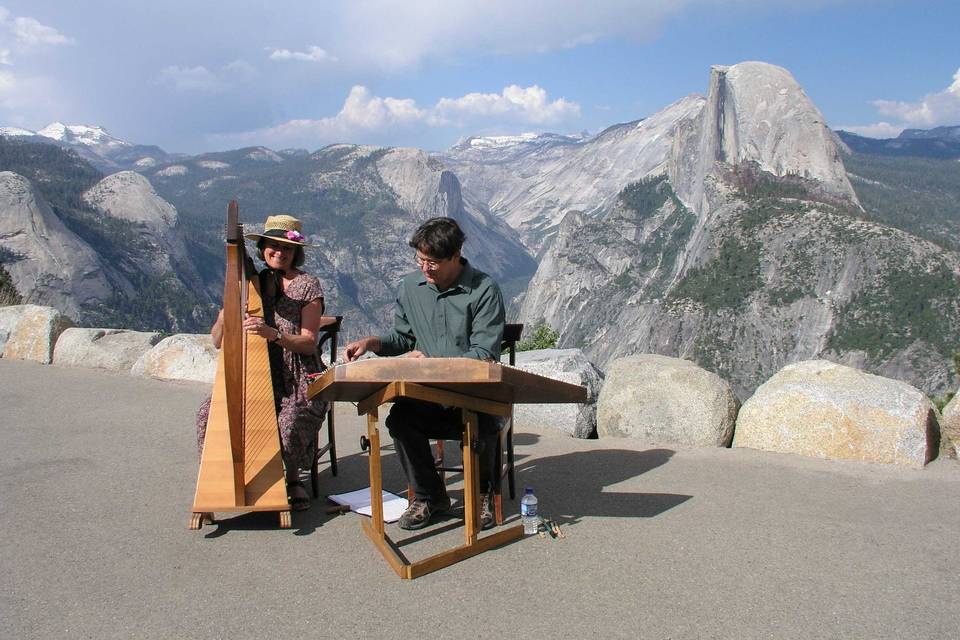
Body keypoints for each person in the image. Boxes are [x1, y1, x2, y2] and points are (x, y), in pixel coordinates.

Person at [344, 217, 505, 531]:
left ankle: (484, 491)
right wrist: (372, 342)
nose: (425, 268)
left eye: (432, 262)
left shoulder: (484, 289)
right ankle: (430, 496)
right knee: (400, 421)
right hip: (429, 395)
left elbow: (484, 354)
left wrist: (429, 363)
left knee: (485, 424)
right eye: (420, 260)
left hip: (472, 394)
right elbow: (403, 338)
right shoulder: (410, 288)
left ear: (455, 256)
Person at [196, 214, 328, 511]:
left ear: (296, 252)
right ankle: (221, 477)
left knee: (289, 420)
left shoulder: (308, 286)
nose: (279, 252)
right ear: (263, 247)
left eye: (287, 248)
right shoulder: (252, 283)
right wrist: (225, 315)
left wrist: (273, 334)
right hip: (258, 372)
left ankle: (292, 479)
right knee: (208, 412)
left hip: (298, 374)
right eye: (273, 246)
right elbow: (218, 341)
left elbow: (308, 341)